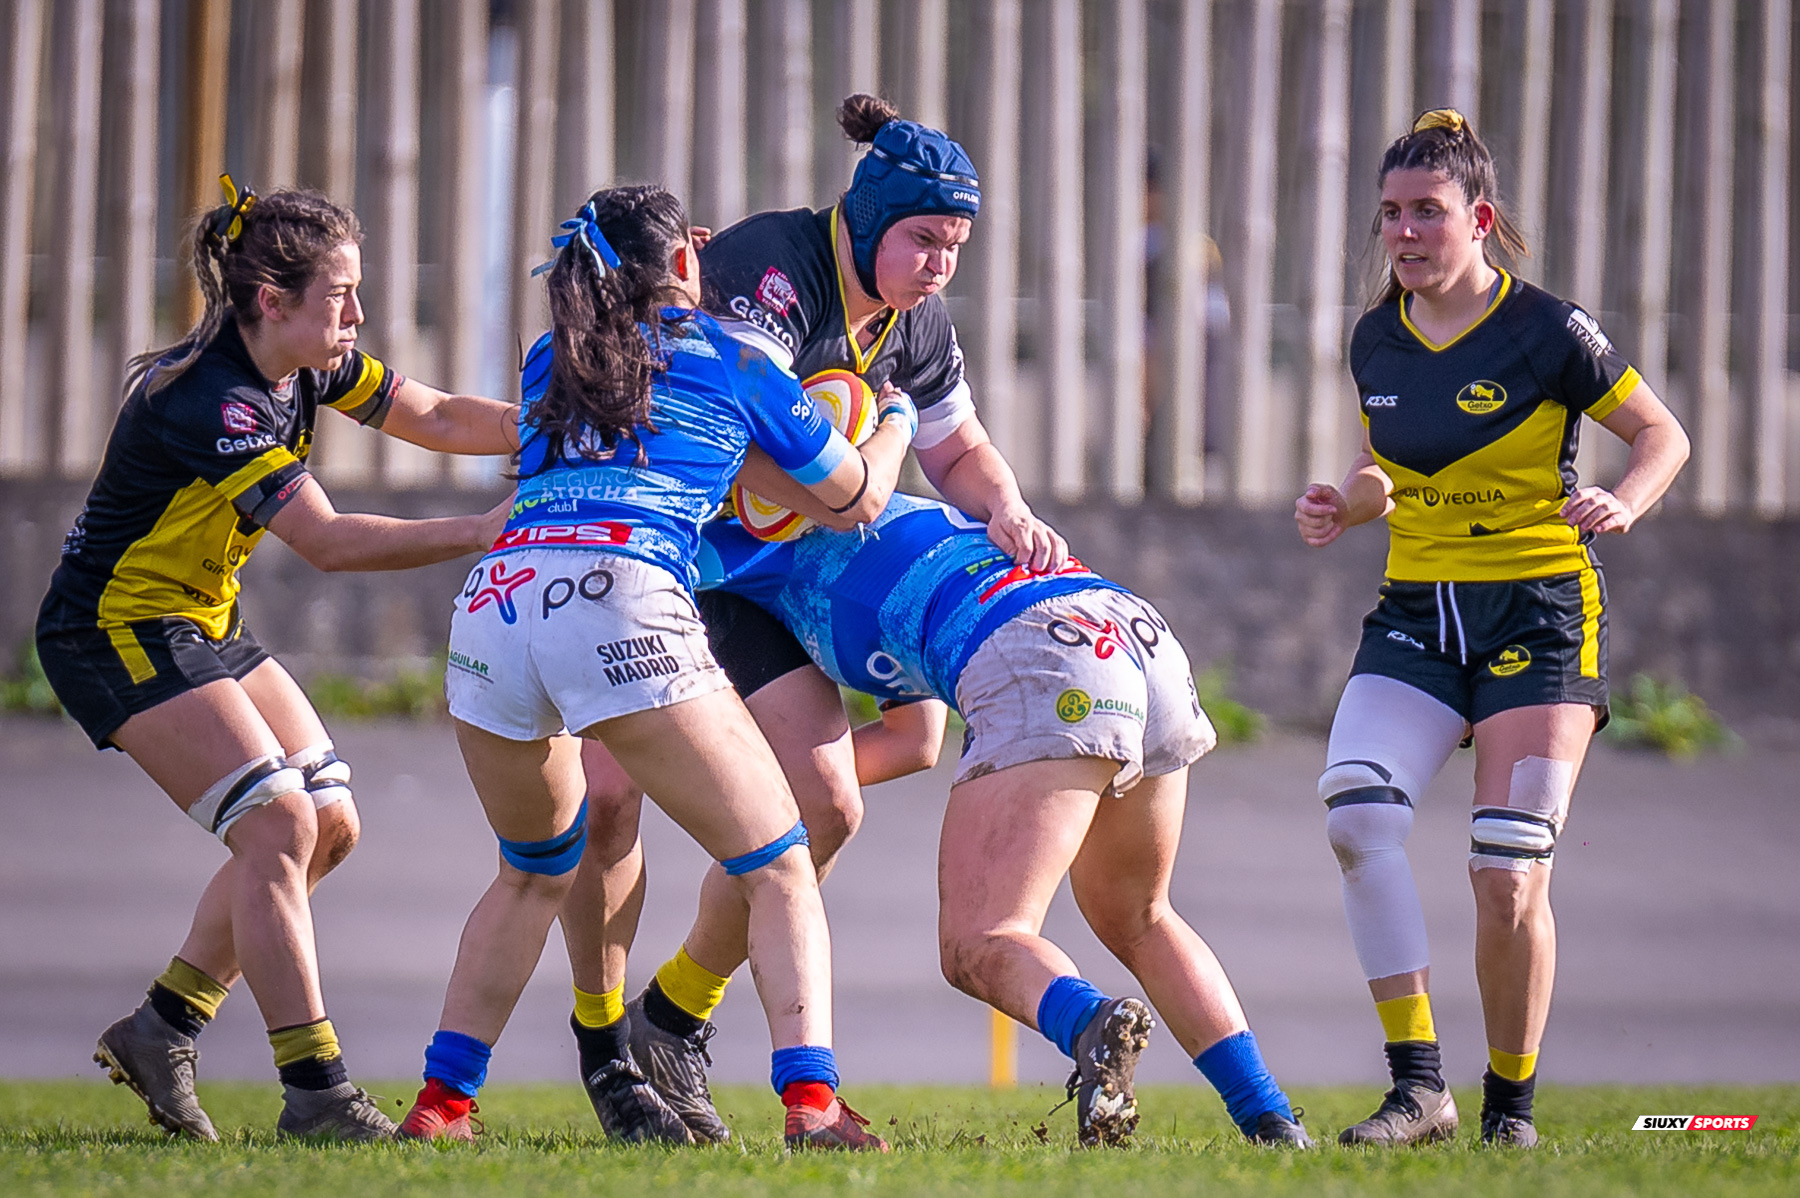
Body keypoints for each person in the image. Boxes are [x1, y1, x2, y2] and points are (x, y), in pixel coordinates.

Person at [547, 90, 1076, 1144]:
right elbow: (781, 461)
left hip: (780, 580)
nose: (940, 265)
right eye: (925, 239)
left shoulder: (918, 316)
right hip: (679, 568)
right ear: (869, 221)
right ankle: (600, 1052)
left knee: (829, 803)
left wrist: (1010, 507)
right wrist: (871, 446)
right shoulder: (769, 270)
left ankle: (675, 1016)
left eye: (957, 245)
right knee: (602, 809)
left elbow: (956, 448)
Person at [394, 186, 915, 1151]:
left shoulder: (558, 357)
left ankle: (440, 1109)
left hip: (496, 607)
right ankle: (813, 1106)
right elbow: (852, 501)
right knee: (782, 862)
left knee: (528, 874)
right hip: (621, 596)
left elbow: (667, 445)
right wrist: (891, 420)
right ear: (687, 263)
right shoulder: (740, 357)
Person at [566, 490, 1314, 1149]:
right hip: (1135, 631)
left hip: (1041, 655)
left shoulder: (719, 554)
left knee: (981, 943)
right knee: (1141, 915)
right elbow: (914, 739)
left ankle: (1091, 1025)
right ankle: (1272, 1120)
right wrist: (758, 789)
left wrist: (718, 782)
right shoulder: (886, 512)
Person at [35, 179, 518, 1141]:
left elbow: (436, 415)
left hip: (199, 621)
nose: (359, 315)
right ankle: (318, 1095)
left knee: (328, 825)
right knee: (276, 822)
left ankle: (161, 1027)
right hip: (113, 629)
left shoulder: (307, 366)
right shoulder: (220, 402)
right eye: (341, 295)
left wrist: (570, 427)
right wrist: (486, 528)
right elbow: (329, 542)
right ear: (272, 300)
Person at [1294, 110, 1690, 1147]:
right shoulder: (1375, 333)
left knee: (1507, 872)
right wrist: (1348, 501)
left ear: (1479, 219)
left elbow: (1662, 432)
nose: (1404, 233)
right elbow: (1392, 464)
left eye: (1426, 212)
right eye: (1389, 214)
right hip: (1419, 614)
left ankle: (1510, 1109)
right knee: (1356, 816)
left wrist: (1627, 501)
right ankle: (1419, 1088)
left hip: (1541, 615)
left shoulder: (1547, 330)